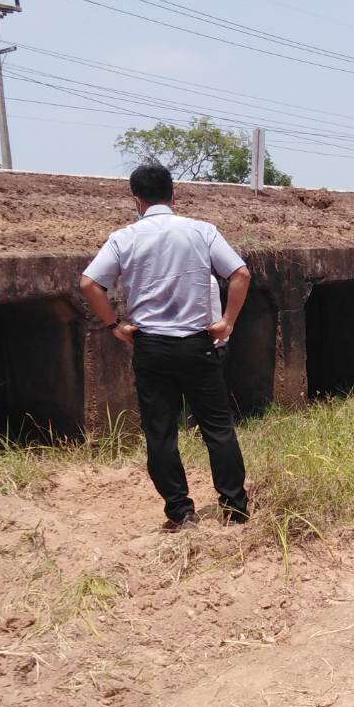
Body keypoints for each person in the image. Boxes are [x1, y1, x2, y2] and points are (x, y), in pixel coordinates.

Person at [79, 163, 252, 529]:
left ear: (136, 200)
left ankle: (180, 511)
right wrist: (228, 321)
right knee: (217, 428)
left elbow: (89, 284)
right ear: (174, 195)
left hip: (151, 347)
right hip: (197, 344)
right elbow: (240, 274)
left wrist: (114, 326)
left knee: (160, 432)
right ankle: (235, 509)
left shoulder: (124, 238)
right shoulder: (201, 231)